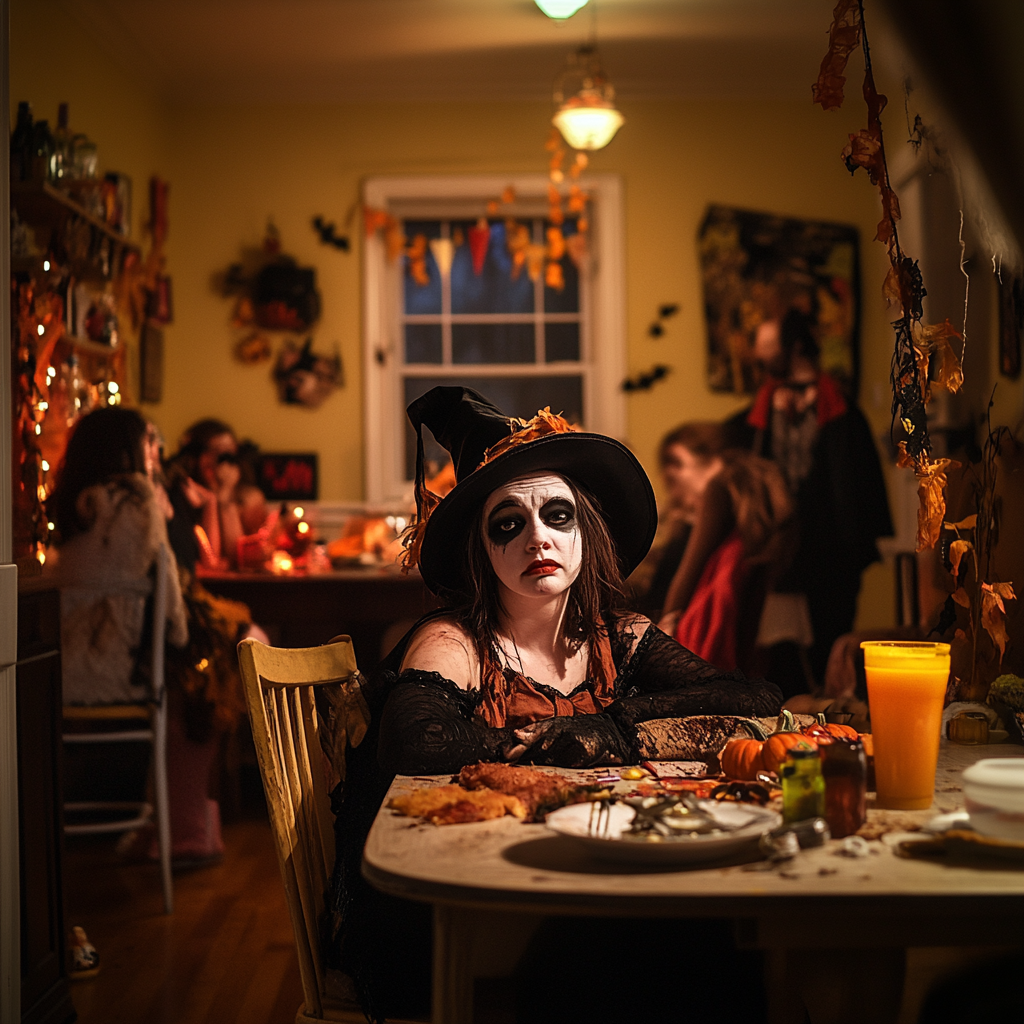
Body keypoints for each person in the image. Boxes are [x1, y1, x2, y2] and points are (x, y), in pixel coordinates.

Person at [325, 387, 783, 1022]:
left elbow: (752, 695)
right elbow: (413, 739)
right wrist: (545, 741)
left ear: (584, 530)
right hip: (457, 898)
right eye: (508, 524)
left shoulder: (615, 635)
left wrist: (614, 727)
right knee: (641, 936)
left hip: (576, 867)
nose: (536, 538)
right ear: (482, 550)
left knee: (705, 925)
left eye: (557, 516)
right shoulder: (453, 640)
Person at [726, 309, 893, 687]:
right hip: (777, 549)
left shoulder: (842, 412)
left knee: (830, 641)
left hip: (830, 553)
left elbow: (856, 484)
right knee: (776, 650)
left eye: (769, 346)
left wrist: (853, 548)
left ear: (795, 346)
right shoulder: (756, 413)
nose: (760, 355)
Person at [655, 422, 794, 673]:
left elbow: (690, 568)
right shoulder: (749, 495)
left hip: (703, 640)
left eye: (677, 463)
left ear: (711, 458)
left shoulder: (718, 490)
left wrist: (662, 635)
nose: (669, 474)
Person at [164, 418, 269, 570]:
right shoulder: (185, 495)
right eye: (213, 451)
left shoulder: (249, 497)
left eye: (227, 454)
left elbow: (238, 557)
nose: (220, 461)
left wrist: (225, 499)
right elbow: (209, 559)